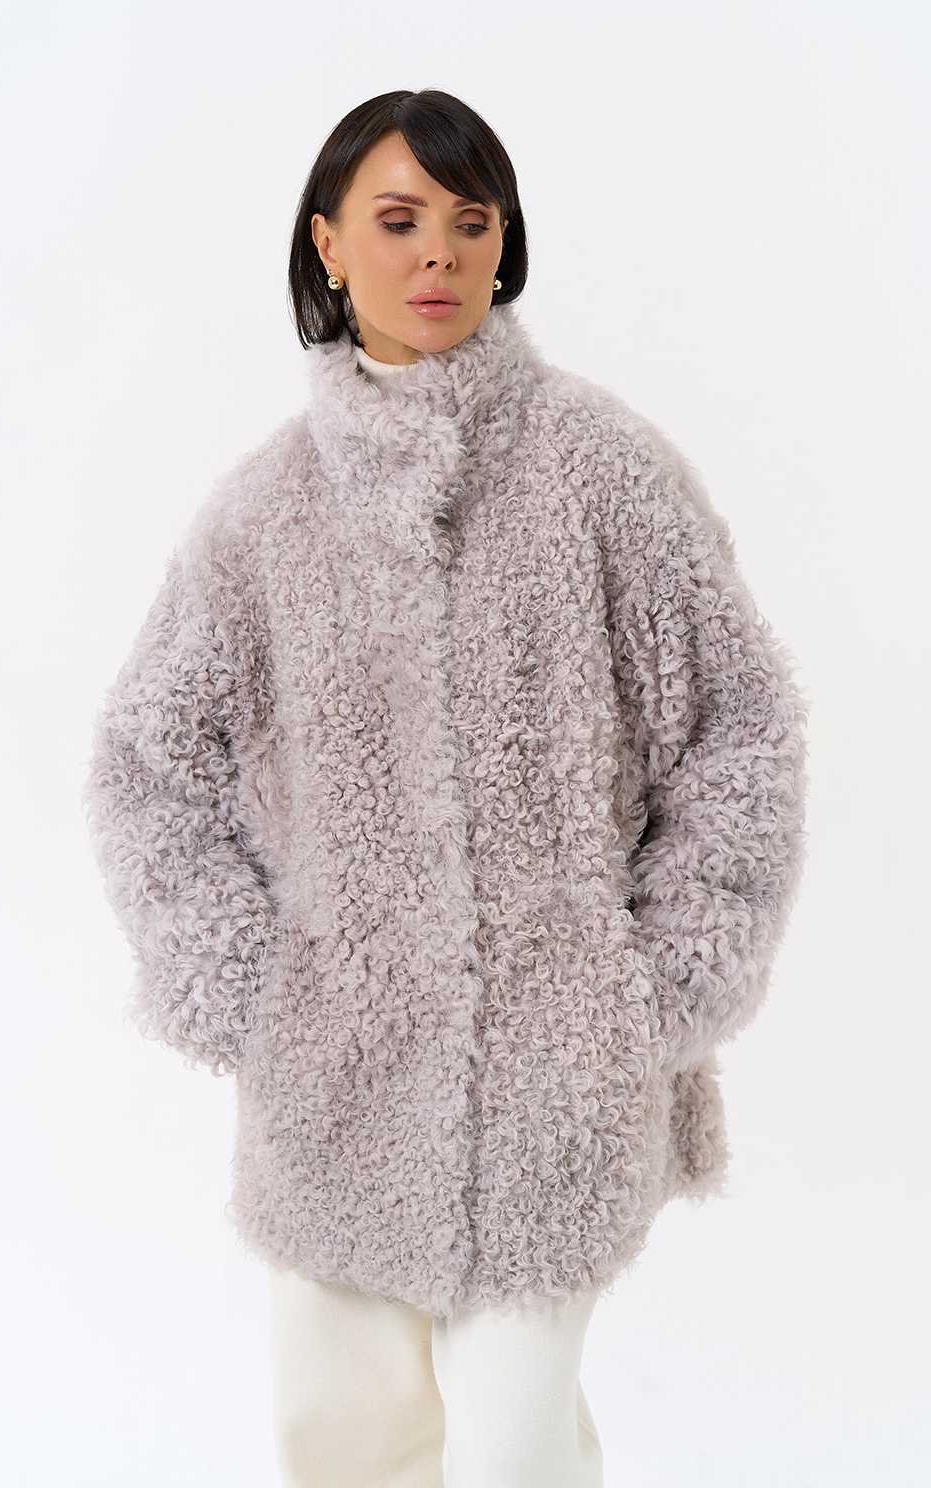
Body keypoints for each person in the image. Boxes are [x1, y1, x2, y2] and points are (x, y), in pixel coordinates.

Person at [86, 89, 807, 1488]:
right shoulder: (264, 513)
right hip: (332, 1095)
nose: (440, 254)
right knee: (344, 1449)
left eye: (472, 223)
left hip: (560, 1084)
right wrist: (260, 992)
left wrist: (652, 986)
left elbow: (741, 732)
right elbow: (147, 766)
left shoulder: (604, 472)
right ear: (329, 244)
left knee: (515, 1451)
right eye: (400, 219)